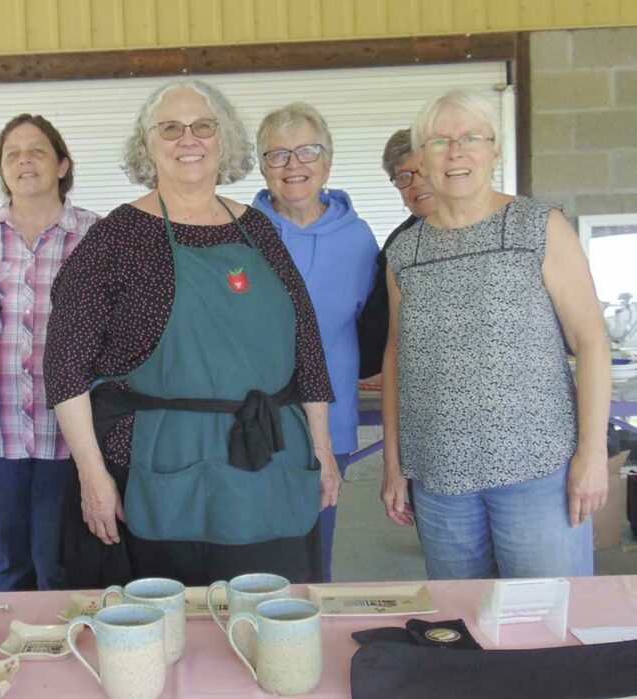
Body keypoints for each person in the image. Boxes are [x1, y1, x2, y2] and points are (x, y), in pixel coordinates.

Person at [44, 80, 340, 587]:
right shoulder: (118, 236)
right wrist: (91, 475)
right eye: (171, 128)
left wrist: (322, 447)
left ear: (223, 141)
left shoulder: (257, 228)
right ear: (147, 145)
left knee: (267, 617)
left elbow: (306, 346)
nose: (189, 140)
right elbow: (65, 365)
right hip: (158, 464)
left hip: (267, 458)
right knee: (167, 628)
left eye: (204, 126)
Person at [380, 89, 611, 579]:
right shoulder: (404, 251)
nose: (456, 152)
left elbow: (591, 342)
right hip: (441, 482)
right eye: (440, 141)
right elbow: (398, 359)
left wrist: (591, 455)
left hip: (538, 472)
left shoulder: (539, 226)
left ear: (494, 150)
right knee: (464, 634)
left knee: (547, 630)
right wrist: (394, 464)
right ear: (421, 158)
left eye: (471, 138)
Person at [0, 114, 99, 592]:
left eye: (36, 150)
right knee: (4, 568)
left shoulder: (97, 237)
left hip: (71, 435)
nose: (24, 161)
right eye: (11, 154)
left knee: (62, 569)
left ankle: (64, 660)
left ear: (62, 164)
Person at [251, 102, 378, 582]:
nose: (293, 166)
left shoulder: (359, 238)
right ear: (262, 167)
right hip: (257, 421)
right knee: (257, 554)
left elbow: (371, 325)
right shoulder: (242, 232)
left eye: (307, 151)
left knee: (315, 557)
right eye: (278, 155)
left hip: (335, 420)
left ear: (327, 161)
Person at [357, 128, 440, 379]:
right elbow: (377, 327)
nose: (416, 182)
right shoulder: (399, 245)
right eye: (403, 176)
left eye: (424, 170)